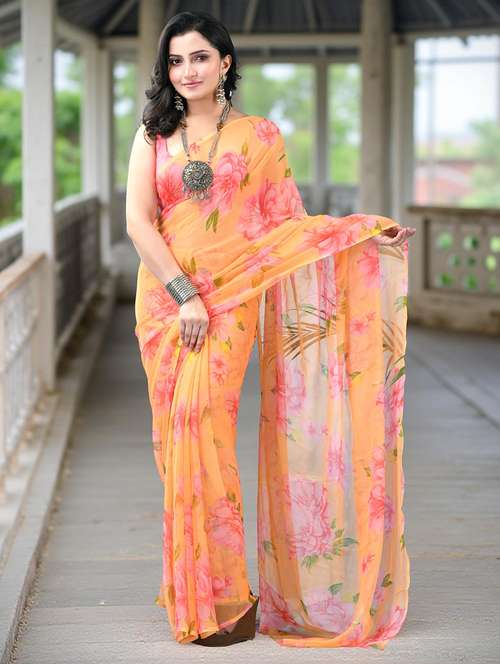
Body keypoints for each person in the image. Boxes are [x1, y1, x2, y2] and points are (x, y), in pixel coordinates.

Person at [126, 9, 416, 649]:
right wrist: (183, 295)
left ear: (225, 62)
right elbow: (139, 223)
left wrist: (362, 233)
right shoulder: (154, 135)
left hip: (231, 301)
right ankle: (196, 586)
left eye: (199, 57)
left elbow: (288, 225)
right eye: (175, 60)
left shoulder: (259, 136)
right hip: (167, 305)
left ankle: (227, 598)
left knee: (207, 433)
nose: (187, 71)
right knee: (175, 445)